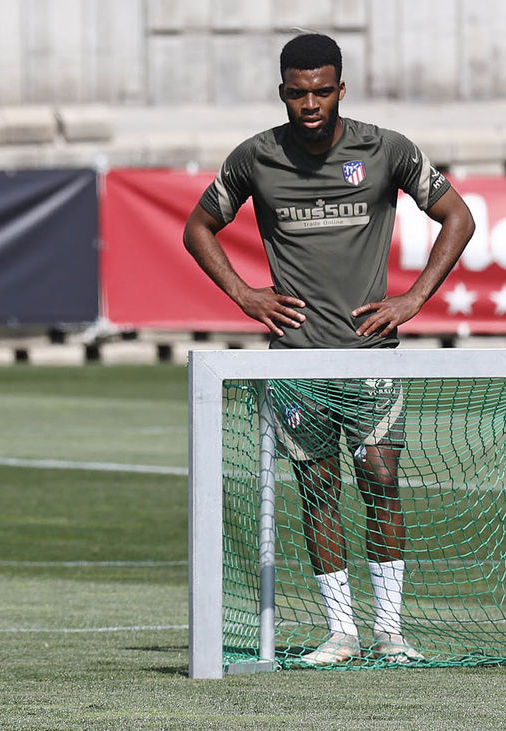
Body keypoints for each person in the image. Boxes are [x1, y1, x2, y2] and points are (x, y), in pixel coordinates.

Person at [182, 33, 475, 665]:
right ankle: (342, 633)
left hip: (371, 353)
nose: (310, 104)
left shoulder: (386, 149)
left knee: (381, 480)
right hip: (297, 359)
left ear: (341, 88)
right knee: (317, 490)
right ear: (282, 92)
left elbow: (459, 216)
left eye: (321, 91)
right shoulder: (256, 157)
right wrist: (244, 294)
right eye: (297, 93)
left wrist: (413, 298)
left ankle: (391, 632)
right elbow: (198, 227)